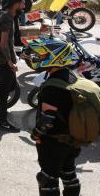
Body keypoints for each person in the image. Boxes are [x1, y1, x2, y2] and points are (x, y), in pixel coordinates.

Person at [31, 47, 81, 196]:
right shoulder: (72, 75)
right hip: (73, 138)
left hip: (54, 142)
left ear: (55, 57)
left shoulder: (52, 86)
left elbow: (48, 119)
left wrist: (35, 134)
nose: (39, 57)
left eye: (44, 55)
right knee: (69, 174)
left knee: (47, 179)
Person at [0, 0, 25, 132]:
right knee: (4, 92)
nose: (24, 5)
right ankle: (3, 121)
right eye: (22, 3)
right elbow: (4, 44)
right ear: (16, 4)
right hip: (5, 58)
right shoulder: (8, 18)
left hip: (0, 56)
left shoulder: (1, 14)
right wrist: (10, 62)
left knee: (11, 86)